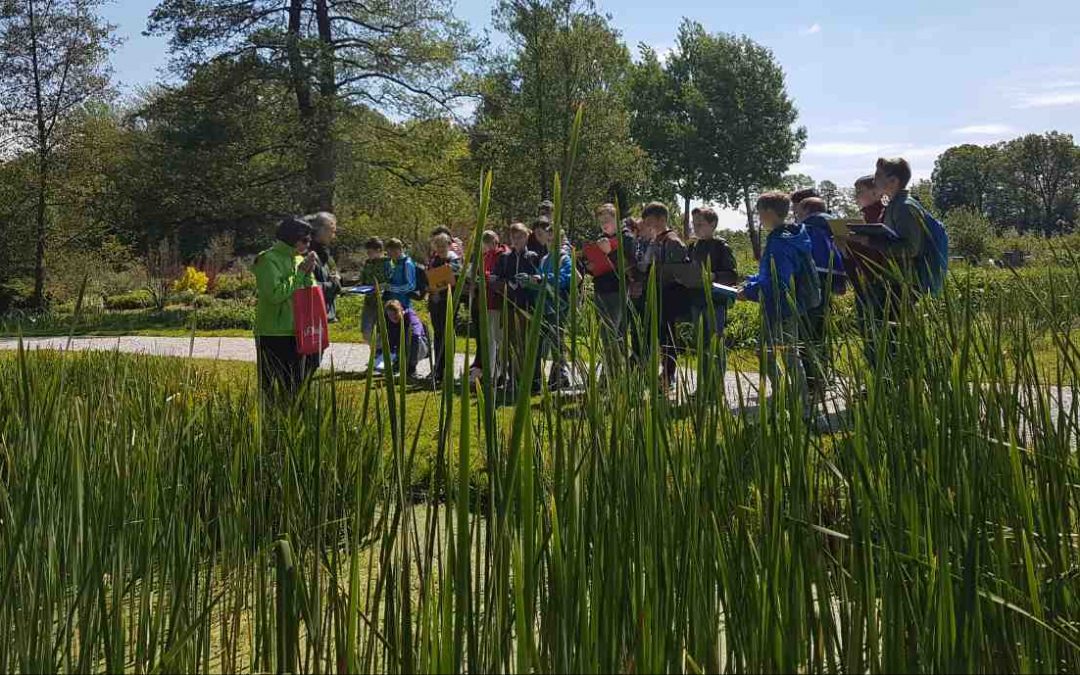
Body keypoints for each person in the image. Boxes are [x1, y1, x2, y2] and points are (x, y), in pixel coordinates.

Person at [737, 192, 813, 415]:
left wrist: (750, 292)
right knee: (778, 353)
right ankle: (792, 396)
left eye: (760, 213)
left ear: (769, 213)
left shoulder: (779, 242)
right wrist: (751, 281)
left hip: (780, 307)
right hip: (788, 305)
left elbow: (778, 280)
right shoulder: (790, 236)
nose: (759, 217)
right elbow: (769, 274)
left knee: (781, 353)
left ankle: (797, 401)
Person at [848, 157, 928, 368]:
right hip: (891, 280)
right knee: (887, 335)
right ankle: (887, 384)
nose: (875, 180)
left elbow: (911, 248)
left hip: (901, 283)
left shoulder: (904, 207)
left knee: (894, 337)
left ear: (893, 181)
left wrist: (870, 241)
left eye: (878, 176)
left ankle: (897, 384)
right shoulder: (893, 205)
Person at [253, 217, 319, 401]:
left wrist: (308, 273)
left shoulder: (300, 259)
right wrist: (299, 274)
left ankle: (295, 424)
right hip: (272, 332)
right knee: (270, 389)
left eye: (309, 239)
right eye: (304, 239)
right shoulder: (267, 259)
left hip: (297, 331)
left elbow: (307, 291)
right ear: (292, 238)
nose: (308, 243)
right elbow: (275, 295)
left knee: (296, 388)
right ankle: (269, 425)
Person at [797, 197, 847, 400]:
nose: (796, 214)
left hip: (810, 282)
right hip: (831, 281)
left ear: (808, 210)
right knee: (820, 333)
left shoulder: (806, 228)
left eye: (799, 210)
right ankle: (823, 378)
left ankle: (812, 381)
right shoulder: (836, 226)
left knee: (806, 334)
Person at [637, 201, 689, 391]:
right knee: (657, 337)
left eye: (650, 221)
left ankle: (669, 376)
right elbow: (645, 266)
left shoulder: (673, 241)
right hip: (655, 294)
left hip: (669, 295)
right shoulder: (655, 241)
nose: (648, 225)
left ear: (662, 219)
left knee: (668, 338)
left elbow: (678, 273)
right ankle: (660, 373)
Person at [492, 222, 542, 395]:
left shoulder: (533, 256)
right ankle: (511, 379)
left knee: (527, 344)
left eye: (520, 236)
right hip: (509, 305)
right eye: (514, 237)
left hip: (528, 306)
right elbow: (495, 278)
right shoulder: (505, 258)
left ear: (526, 237)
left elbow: (540, 279)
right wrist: (506, 284)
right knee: (510, 343)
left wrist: (529, 280)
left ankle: (527, 380)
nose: (517, 239)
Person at [587, 204, 635, 373]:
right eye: (601, 221)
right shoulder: (600, 239)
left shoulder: (626, 237)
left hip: (618, 290)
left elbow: (630, 267)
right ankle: (622, 371)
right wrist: (590, 266)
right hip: (601, 288)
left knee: (610, 333)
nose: (604, 224)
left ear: (616, 219)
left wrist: (610, 252)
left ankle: (611, 375)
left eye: (607, 220)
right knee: (611, 334)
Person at [531, 217, 574, 391]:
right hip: (545, 304)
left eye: (553, 240)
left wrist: (544, 278)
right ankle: (545, 377)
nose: (550, 243)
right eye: (548, 240)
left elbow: (565, 278)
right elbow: (540, 279)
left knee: (557, 340)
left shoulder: (564, 258)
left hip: (559, 305)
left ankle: (560, 375)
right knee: (544, 342)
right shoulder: (544, 259)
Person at [688, 206, 739, 339]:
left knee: (715, 338)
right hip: (696, 299)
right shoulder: (692, 247)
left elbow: (732, 275)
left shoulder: (721, 246)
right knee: (699, 339)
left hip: (715, 301)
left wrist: (714, 276)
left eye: (700, 224)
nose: (695, 227)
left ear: (713, 224)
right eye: (693, 224)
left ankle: (718, 360)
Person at [469, 230, 509, 383]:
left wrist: (485, 277)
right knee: (489, 340)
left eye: (489, 243)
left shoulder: (502, 255)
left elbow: (497, 276)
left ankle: (498, 373)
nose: (487, 247)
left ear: (495, 241)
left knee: (497, 339)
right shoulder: (486, 256)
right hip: (486, 302)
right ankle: (490, 372)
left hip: (497, 302)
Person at [427, 232, 462, 384]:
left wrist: (437, 287)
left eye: (443, 245)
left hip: (449, 302)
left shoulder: (454, 259)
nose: (441, 248)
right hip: (435, 303)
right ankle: (438, 369)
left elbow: (453, 277)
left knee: (447, 334)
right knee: (438, 335)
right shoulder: (433, 260)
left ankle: (447, 369)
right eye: (438, 246)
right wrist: (431, 289)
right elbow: (430, 278)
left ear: (449, 245)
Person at [376, 300, 429, 378]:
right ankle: (395, 363)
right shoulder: (386, 318)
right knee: (381, 338)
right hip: (399, 344)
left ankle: (411, 369)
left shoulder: (410, 316)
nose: (393, 317)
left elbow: (416, 332)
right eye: (390, 315)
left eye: (396, 313)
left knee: (413, 338)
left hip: (419, 345)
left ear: (401, 311)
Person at [305, 212, 342, 323]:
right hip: (311, 319)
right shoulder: (308, 254)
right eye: (332, 231)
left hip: (324, 318)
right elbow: (308, 288)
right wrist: (334, 284)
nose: (333, 236)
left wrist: (336, 280)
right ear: (322, 230)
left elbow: (331, 277)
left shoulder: (325, 254)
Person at [359, 237, 390, 343]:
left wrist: (380, 287)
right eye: (367, 252)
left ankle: (379, 355)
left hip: (383, 302)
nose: (368, 254)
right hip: (369, 301)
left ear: (379, 250)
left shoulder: (388, 263)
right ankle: (374, 352)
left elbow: (392, 282)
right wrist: (359, 286)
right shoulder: (367, 263)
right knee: (366, 331)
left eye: (370, 252)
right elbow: (363, 279)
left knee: (382, 331)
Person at [385, 238, 418, 308]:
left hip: (404, 304)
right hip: (393, 304)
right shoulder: (395, 262)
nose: (388, 255)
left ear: (397, 250)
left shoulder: (407, 263)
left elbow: (411, 286)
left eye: (390, 252)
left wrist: (391, 288)